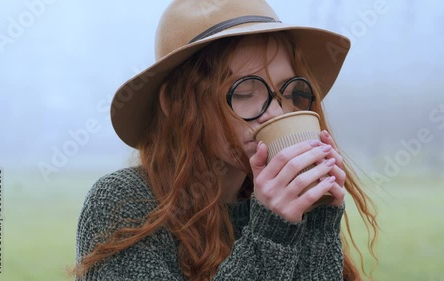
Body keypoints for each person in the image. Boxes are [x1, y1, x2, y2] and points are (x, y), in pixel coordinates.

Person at [74, 0, 378, 280]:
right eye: (245, 92)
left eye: (288, 91)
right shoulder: (124, 204)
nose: (274, 112)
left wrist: (319, 220)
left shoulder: (286, 203)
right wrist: (271, 232)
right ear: (175, 103)